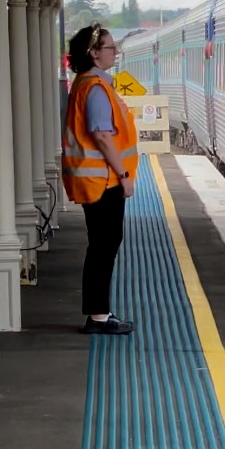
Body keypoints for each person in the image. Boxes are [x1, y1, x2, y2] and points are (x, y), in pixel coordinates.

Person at [62, 24, 138, 335]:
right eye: (110, 47)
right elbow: (103, 136)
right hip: (103, 181)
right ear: (94, 53)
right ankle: (98, 317)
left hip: (97, 180)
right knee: (104, 246)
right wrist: (124, 175)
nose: (115, 52)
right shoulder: (95, 87)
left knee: (103, 245)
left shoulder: (87, 83)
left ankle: (99, 313)